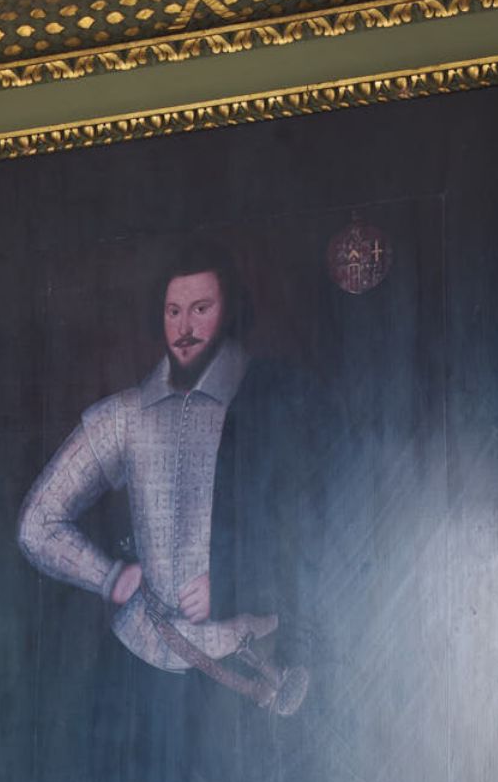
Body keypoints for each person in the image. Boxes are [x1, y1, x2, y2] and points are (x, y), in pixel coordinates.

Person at [17, 242, 309, 718]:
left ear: (231, 310)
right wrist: (107, 575)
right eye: (173, 311)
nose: (185, 328)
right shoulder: (124, 417)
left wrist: (237, 581)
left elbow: (310, 522)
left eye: (201, 309)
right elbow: (37, 524)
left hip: (248, 669)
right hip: (140, 667)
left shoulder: (277, 399)